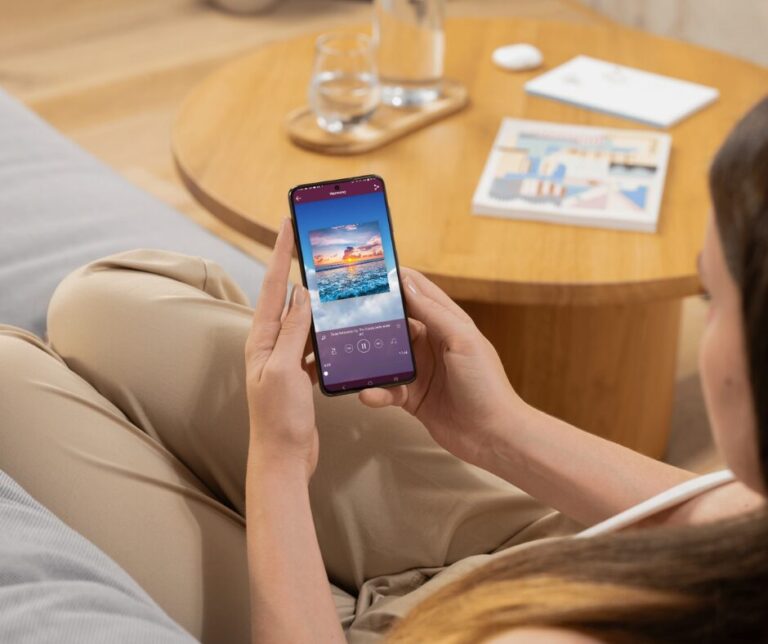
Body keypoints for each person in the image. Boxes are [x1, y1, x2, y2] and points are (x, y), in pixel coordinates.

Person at [0, 95, 766, 643]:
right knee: (98, 303)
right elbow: (729, 526)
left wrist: (277, 465)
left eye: (712, 298)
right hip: (543, 546)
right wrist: (498, 429)